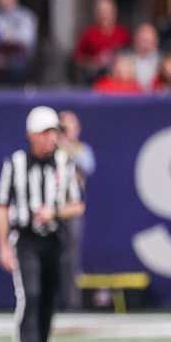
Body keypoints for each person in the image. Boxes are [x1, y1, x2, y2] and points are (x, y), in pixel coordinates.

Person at [0, 106, 85, 342]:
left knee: (47, 298)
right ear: (32, 134)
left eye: (53, 132)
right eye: (45, 132)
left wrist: (54, 213)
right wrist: (2, 246)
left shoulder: (65, 163)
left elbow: (78, 205)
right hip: (25, 238)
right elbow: (1, 206)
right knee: (30, 295)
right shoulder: (15, 163)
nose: (50, 138)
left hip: (55, 238)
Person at [57, 110, 94, 311]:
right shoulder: (50, 148)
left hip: (72, 208)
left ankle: (72, 303)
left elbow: (88, 166)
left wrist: (66, 146)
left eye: (68, 126)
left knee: (72, 257)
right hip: (51, 208)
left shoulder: (81, 149)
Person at [73, 0, 130, 82]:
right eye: (101, 11)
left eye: (108, 11)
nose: (105, 14)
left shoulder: (122, 33)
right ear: (96, 13)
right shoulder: (89, 34)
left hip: (119, 81)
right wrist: (95, 62)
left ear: (114, 12)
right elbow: (78, 59)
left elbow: (130, 56)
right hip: (95, 79)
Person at [132, 23, 160, 89]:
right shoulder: (126, 59)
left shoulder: (163, 60)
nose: (145, 45)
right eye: (143, 40)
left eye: (148, 40)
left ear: (156, 40)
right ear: (136, 39)